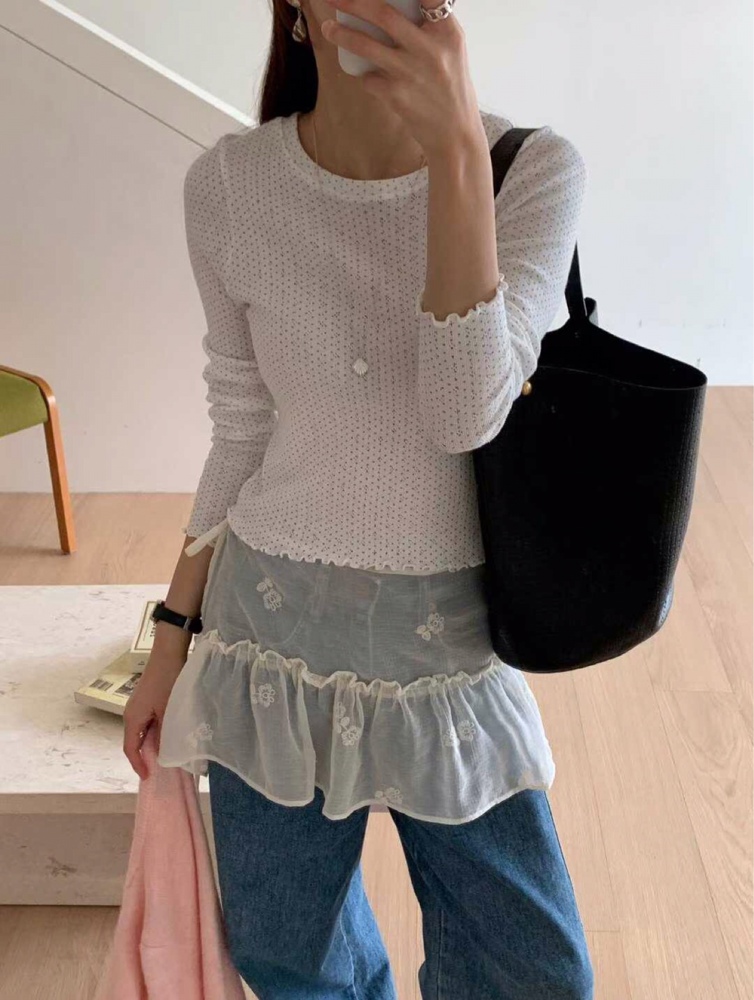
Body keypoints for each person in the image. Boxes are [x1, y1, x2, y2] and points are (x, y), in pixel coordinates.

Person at [123, 0, 593, 996]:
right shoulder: (229, 186)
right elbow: (240, 428)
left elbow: (463, 414)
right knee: (290, 962)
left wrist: (455, 153)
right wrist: (170, 643)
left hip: (445, 660)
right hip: (266, 651)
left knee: (532, 975)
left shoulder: (531, 171)